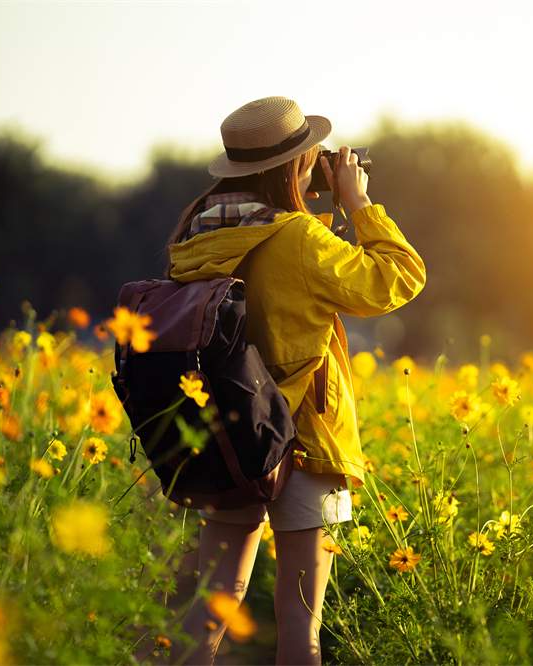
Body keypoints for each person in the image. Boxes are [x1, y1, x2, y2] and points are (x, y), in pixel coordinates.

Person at [163, 96, 426, 665]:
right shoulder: (300, 240)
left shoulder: (195, 235)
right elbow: (396, 279)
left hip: (230, 435)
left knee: (212, 608)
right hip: (304, 439)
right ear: (297, 166)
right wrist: (358, 205)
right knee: (300, 623)